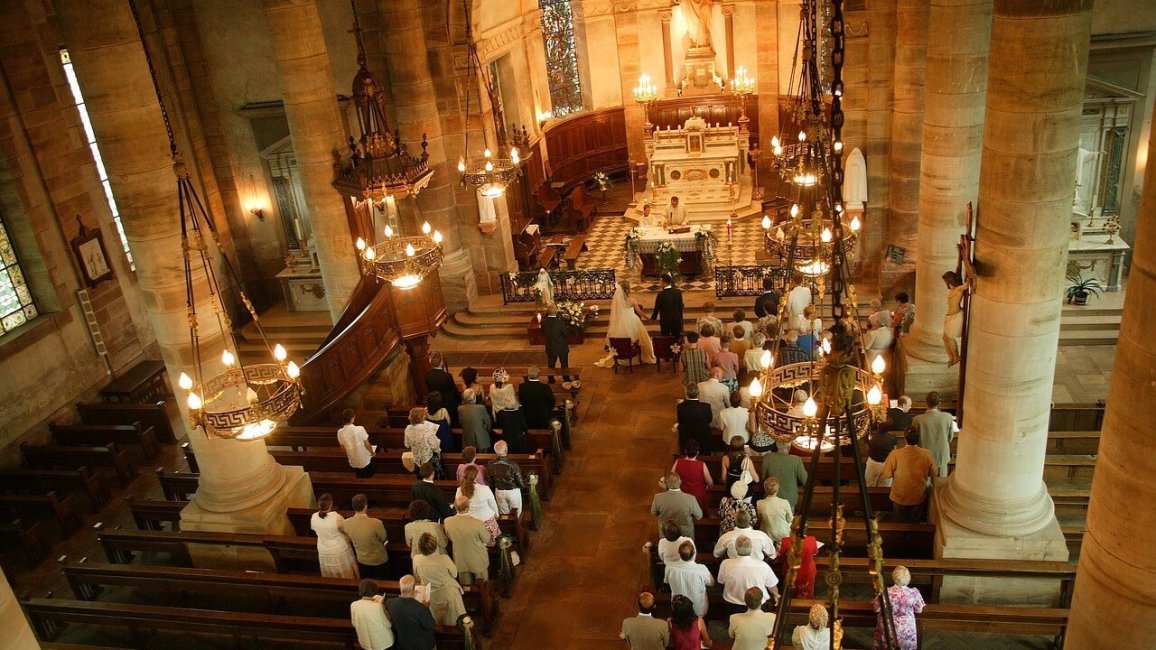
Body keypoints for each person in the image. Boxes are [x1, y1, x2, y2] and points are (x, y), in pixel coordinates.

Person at [881, 428, 938, 522]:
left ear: (905, 438)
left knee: (899, 522)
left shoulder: (895, 454)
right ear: (918, 439)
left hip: (899, 494)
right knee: (915, 522)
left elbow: (887, 474)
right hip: (918, 494)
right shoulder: (927, 454)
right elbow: (934, 473)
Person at [596, 281, 656, 367]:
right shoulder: (632, 300)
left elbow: (615, 314)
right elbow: (639, 312)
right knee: (642, 339)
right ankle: (642, 356)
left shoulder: (617, 303)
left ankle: (621, 355)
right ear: (628, 290)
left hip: (620, 322)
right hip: (633, 322)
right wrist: (648, 319)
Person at [412, 532, 466, 625]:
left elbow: (417, 576)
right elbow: (455, 574)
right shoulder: (444, 558)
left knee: (437, 618)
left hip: (431, 593)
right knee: (451, 618)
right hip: (447, 592)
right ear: (435, 545)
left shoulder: (416, 559)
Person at [717, 536, 780, 608]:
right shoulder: (763, 566)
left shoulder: (725, 564)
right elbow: (772, 586)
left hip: (732, 604)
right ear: (751, 548)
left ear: (736, 549)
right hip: (757, 605)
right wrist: (776, 595)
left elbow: (721, 581)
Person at [874, 565, 925, 649]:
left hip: (887, 628)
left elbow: (876, 609)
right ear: (908, 578)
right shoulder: (914, 593)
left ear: (893, 578)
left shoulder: (885, 592)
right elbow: (919, 610)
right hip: (906, 630)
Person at [443, 495, 491, 584]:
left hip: (460, 557)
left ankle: (469, 597)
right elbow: (486, 539)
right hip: (477, 557)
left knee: (465, 585)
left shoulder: (447, 521)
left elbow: (449, 537)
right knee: (483, 583)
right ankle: (484, 596)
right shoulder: (477, 523)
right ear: (468, 507)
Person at [311, 493, 358, 578]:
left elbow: (315, 529)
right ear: (331, 504)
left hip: (323, 549)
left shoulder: (314, 517)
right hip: (338, 550)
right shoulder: (336, 517)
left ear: (318, 504)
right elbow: (346, 529)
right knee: (345, 574)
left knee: (330, 574)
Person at [665, 541, 715, 620]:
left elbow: (666, 581)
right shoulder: (702, 569)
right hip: (698, 608)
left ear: (679, 553)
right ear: (694, 553)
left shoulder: (669, 567)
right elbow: (711, 583)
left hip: (678, 607)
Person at [344, 494, 388, 579]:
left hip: (362, 559)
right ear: (366, 506)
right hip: (378, 559)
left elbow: (349, 538)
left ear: (353, 506)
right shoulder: (376, 523)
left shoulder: (347, 523)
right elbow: (383, 538)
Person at [387, 575, 436, 650]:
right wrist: (426, 608)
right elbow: (431, 625)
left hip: (403, 643)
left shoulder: (390, 603)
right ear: (413, 589)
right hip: (422, 645)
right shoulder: (421, 608)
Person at [454, 465, 500, 545]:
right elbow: (493, 504)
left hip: (468, 524)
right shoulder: (484, 489)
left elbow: (459, 507)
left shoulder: (459, 490)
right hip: (486, 522)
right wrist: (497, 514)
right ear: (477, 476)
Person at [912, 391, 954, 477]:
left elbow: (913, 440)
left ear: (926, 402)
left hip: (924, 455)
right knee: (941, 482)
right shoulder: (948, 417)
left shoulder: (917, 419)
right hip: (941, 455)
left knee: (924, 483)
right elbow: (950, 437)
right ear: (939, 403)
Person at [651, 472, 703, 538]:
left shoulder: (658, 498)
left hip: (666, 533)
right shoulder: (690, 499)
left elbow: (654, 513)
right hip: (685, 535)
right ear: (680, 482)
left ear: (666, 484)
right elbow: (699, 516)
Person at [350, 578, 395, 650]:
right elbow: (388, 624)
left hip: (365, 643)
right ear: (374, 591)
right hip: (382, 643)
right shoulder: (377, 606)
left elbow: (354, 623)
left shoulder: (354, 605)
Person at [761, 443, 808, 508]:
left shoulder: (768, 457)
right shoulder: (796, 460)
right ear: (789, 448)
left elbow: (763, 477)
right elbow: (805, 480)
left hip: (771, 496)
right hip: (789, 498)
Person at [671, 438, 712, 511]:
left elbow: (672, 478)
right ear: (697, 452)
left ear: (685, 451)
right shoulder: (701, 465)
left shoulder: (678, 462)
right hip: (697, 498)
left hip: (681, 496)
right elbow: (710, 482)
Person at [487, 440, 525, 515]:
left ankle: (507, 526)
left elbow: (490, 481)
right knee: (516, 513)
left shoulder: (490, 464)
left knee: (504, 515)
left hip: (499, 491)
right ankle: (517, 526)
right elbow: (520, 482)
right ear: (506, 450)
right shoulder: (513, 464)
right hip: (513, 491)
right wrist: (522, 486)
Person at [776, 533, 819, 598]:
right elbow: (815, 552)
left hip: (790, 570)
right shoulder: (812, 540)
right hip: (807, 570)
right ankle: (806, 603)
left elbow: (781, 554)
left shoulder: (785, 541)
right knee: (806, 591)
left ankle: (792, 600)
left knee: (791, 590)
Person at [942, 270, 970, 366]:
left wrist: (969, 279)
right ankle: (951, 357)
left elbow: (967, 285)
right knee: (945, 337)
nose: (946, 284)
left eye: (947, 282)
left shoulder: (958, 289)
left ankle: (956, 356)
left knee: (950, 338)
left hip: (955, 316)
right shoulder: (953, 290)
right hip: (949, 316)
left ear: (951, 281)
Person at [425, 352, 461, 427]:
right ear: (441, 363)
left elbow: (430, 390)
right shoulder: (447, 376)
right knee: (453, 422)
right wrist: (459, 400)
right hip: (450, 404)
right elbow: (454, 390)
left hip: (437, 403)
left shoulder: (427, 376)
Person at [676, 384, 714, 455]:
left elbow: (680, 420)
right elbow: (709, 420)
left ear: (686, 394)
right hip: (703, 437)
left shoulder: (681, 407)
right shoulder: (706, 407)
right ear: (698, 393)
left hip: (687, 437)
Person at [337, 408, 375, 478]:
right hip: (364, 459)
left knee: (359, 475)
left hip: (353, 460)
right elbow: (367, 445)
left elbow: (342, 450)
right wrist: (372, 453)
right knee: (368, 472)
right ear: (353, 418)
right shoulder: (360, 429)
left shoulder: (340, 432)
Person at [404, 407, 442, 477]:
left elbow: (407, 445)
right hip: (428, 459)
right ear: (422, 418)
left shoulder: (408, 429)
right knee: (430, 474)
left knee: (421, 474)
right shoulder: (426, 430)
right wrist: (438, 441)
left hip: (416, 458)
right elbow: (434, 446)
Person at [540, 303, 573, 384]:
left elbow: (543, 332)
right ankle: (566, 378)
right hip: (561, 346)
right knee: (564, 363)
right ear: (556, 312)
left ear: (548, 312)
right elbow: (565, 333)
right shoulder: (559, 322)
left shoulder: (544, 322)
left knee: (551, 364)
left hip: (550, 345)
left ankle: (551, 379)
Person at [756, 477, 793, 546]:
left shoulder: (760, 503)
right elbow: (789, 518)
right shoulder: (785, 502)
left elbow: (760, 519)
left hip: (767, 532)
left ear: (765, 489)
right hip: (783, 533)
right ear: (777, 489)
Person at [651, 273, 685, 337]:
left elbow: (657, 308)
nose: (659, 282)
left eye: (660, 281)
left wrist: (653, 318)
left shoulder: (661, 294)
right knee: (676, 337)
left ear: (664, 282)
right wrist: (680, 317)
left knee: (665, 337)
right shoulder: (678, 292)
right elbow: (681, 306)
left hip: (665, 320)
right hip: (676, 319)